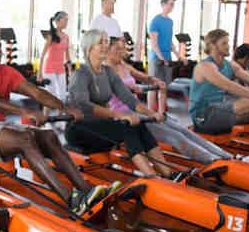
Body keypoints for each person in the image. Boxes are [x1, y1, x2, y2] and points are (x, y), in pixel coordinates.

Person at [0, 31, 119, 216]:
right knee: (25, 139)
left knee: (49, 136)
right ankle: (70, 200)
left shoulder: (7, 72)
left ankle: (87, 190)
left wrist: (64, 107)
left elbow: (36, 92)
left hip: (1, 126)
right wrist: (23, 112)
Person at [106, 37, 232, 164]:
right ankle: (213, 160)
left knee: (182, 129)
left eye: (123, 49)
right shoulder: (106, 71)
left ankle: (224, 155)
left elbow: (143, 77)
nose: (121, 52)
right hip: (125, 117)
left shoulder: (123, 65)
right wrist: (137, 88)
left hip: (140, 111)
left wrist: (155, 80)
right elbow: (122, 88)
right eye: (117, 49)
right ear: (107, 50)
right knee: (175, 136)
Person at [67, 29, 174, 178]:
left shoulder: (108, 72)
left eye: (106, 42)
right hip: (80, 129)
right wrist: (119, 115)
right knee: (126, 128)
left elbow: (129, 99)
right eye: (100, 43)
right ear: (89, 47)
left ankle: (168, 174)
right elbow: (85, 105)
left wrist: (152, 114)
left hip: (102, 126)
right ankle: (152, 177)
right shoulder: (81, 74)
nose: (105, 46)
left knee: (140, 125)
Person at [190, 30, 249, 155]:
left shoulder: (229, 65)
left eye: (228, 43)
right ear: (212, 45)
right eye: (224, 43)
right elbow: (229, 86)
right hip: (203, 116)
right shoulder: (205, 66)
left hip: (219, 110)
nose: (228, 46)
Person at [148, 0, 185, 113]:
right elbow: (154, 43)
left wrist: (178, 55)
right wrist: (162, 58)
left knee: (164, 88)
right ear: (163, 4)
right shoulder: (155, 21)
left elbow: (169, 42)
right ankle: (150, 112)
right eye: (170, 4)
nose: (171, 7)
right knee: (153, 87)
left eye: (173, 5)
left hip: (167, 59)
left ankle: (161, 113)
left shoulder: (170, 22)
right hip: (156, 59)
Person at [37, 11, 73, 118]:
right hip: (49, 68)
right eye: (65, 20)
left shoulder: (66, 37)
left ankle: (60, 119)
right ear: (58, 21)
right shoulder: (51, 36)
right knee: (50, 96)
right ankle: (44, 119)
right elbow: (42, 55)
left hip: (61, 69)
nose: (67, 22)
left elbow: (67, 56)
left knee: (62, 96)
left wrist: (70, 71)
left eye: (67, 20)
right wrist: (39, 73)